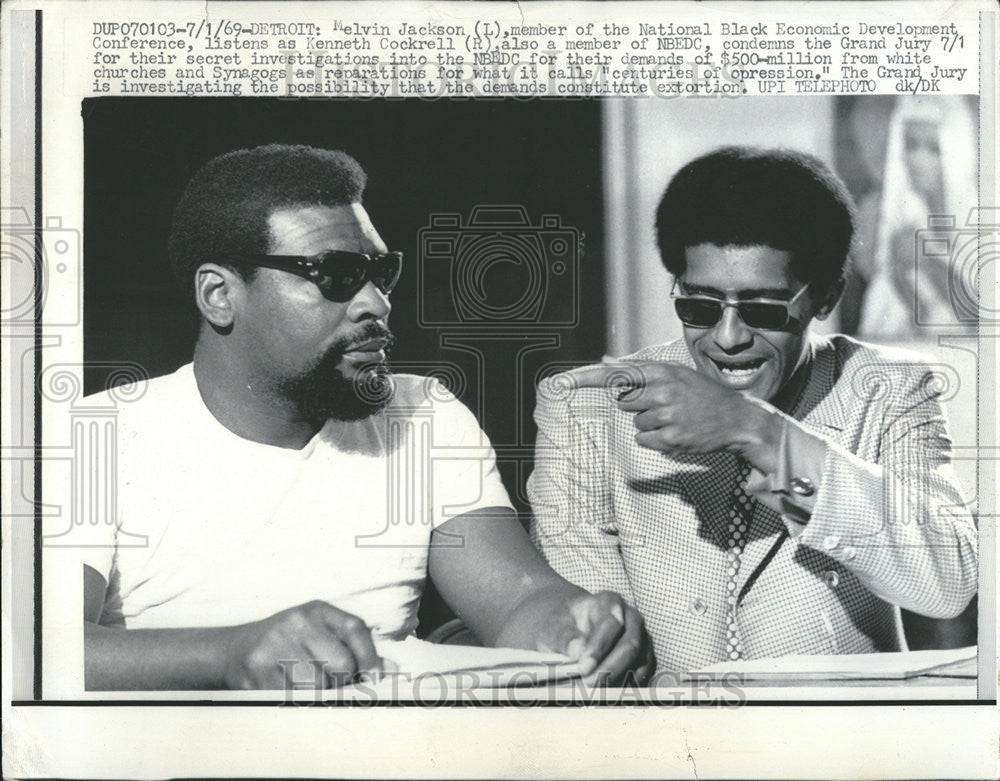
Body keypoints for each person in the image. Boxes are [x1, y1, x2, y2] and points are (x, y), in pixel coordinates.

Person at [77, 144, 650, 690]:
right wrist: (228, 654)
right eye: (336, 275)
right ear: (219, 295)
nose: (377, 303)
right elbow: (37, 647)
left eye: (382, 272)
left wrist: (577, 626)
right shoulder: (98, 438)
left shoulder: (423, 416)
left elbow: (519, 603)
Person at [528, 147, 978, 671]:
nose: (727, 337)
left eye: (763, 309)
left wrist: (755, 429)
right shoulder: (587, 408)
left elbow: (948, 583)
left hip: (838, 740)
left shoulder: (892, 389)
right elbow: (590, 636)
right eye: (698, 307)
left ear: (825, 298)